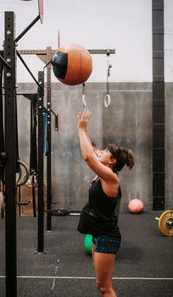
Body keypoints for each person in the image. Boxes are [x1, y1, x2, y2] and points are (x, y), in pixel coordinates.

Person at [77, 110, 135, 297]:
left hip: (106, 236)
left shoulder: (110, 178)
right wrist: (83, 131)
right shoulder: (102, 171)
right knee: (100, 285)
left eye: (104, 152)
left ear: (112, 161)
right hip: (97, 234)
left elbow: (88, 157)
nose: (99, 152)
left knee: (105, 288)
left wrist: (81, 128)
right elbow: (90, 151)